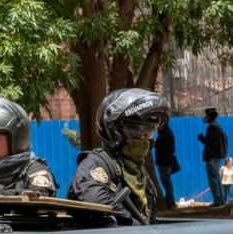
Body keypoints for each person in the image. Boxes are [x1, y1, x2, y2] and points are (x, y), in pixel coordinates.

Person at [68, 88, 170, 225]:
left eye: (149, 130)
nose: (143, 136)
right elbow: (95, 201)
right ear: (113, 129)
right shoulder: (94, 165)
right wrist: (135, 226)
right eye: (136, 129)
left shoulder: (137, 173)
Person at [197, 107, 228, 206]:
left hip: (212, 157)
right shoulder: (217, 126)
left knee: (213, 179)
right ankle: (220, 200)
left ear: (209, 116)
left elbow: (211, 143)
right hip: (215, 156)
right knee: (216, 178)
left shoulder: (212, 127)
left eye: (205, 115)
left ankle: (218, 201)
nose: (204, 117)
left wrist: (202, 139)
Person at [154, 121, 176, 209]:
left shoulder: (165, 134)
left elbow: (158, 145)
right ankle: (170, 201)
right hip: (165, 162)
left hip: (164, 162)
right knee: (167, 182)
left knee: (166, 182)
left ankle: (170, 202)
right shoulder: (166, 133)